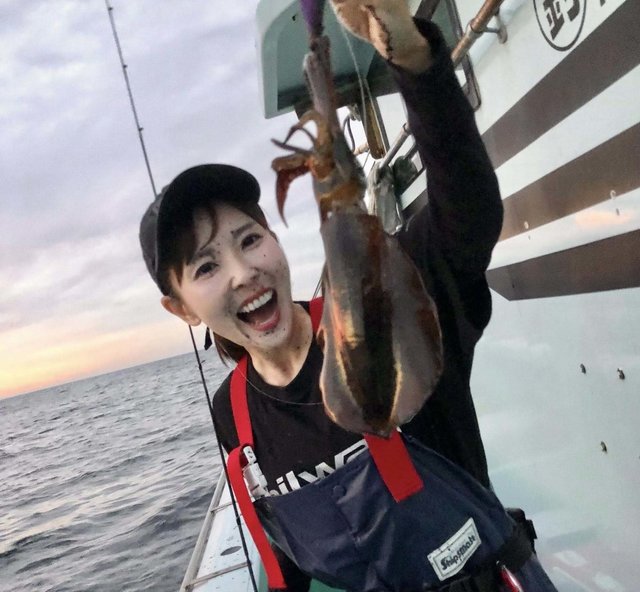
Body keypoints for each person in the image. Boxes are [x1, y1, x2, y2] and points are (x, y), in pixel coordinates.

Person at [139, 2, 558, 591]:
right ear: (181, 308)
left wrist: (411, 56)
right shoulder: (233, 416)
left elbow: (467, 213)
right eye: (206, 267)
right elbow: (286, 554)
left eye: (250, 240)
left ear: (276, 239)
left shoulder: (386, 304)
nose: (242, 272)